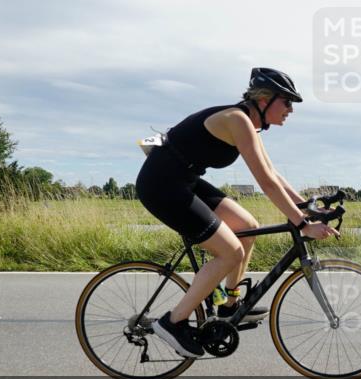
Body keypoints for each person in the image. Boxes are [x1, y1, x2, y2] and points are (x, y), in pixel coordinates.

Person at [135, 67, 339, 358]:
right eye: (287, 102)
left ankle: (229, 306)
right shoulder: (237, 120)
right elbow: (266, 183)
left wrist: (305, 207)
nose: (291, 110)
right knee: (230, 253)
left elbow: (273, 173)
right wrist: (303, 224)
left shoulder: (248, 123)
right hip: (161, 185)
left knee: (246, 226)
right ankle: (173, 322)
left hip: (184, 179)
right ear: (265, 99)